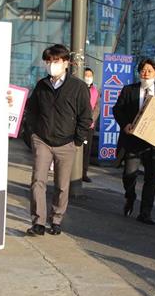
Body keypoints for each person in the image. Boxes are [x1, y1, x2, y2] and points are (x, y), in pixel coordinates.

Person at [25, 44, 92, 236]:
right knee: (38, 180)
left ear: (65, 63)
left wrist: (77, 140)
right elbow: (32, 111)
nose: (51, 65)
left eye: (55, 61)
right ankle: (38, 221)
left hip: (66, 142)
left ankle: (56, 219)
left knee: (62, 185)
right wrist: (32, 135)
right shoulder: (41, 85)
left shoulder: (78, 86)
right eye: (48, 61)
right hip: (42, 140)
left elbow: (85, 116)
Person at [113, 58, 155, 225]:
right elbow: (117, 109)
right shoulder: (129, 90)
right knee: (129, 175)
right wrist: (125, 125)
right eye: (143, 70)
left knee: (152, 178)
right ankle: (130, 196)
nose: (146, 73)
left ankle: (145, 213)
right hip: (133, 140)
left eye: (149, 71)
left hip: (153, 143)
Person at [82, 67, 100, 183]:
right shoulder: (78, 88)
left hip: (90, 125)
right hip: (77, 125)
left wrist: (91, 120)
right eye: (86, 75)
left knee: (86, 150)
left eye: (90, 75)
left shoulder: (95, 90)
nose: (88, 77)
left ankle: (84, 172)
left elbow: (97, 107)